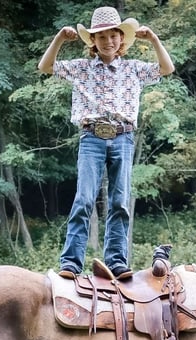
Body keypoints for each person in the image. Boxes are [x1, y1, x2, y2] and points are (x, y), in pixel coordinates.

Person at [38, 6, 175, 280]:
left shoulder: (133, 69)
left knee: (120, 202)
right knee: (84, 199)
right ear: (93, 41)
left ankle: (116, 262)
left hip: (123, 138)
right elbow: (46, 67)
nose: (108, 42)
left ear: (121, 39)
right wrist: (59, 39)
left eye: (113, 36)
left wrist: (154, 40)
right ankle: (71, 263)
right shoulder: (82, 68)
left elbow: (166, 68)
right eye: (101, 37)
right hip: (92, 138)